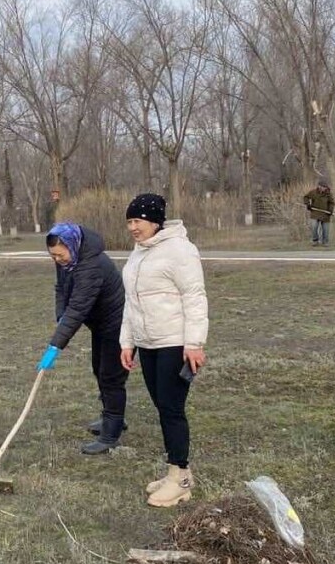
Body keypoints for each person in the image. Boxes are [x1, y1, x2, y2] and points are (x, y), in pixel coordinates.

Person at [119, 194, 208, 508]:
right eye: (129, 221)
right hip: (148, 344)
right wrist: (127, 342)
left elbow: (194, 297)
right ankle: (176, 470)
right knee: (163, 407)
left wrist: (194, 343)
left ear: (154, 221)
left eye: (137, 221)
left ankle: (180, 478)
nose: (132, 227)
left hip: (174, 343)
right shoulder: (138, 253)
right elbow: (131, 302)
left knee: (172, 409)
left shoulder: (180, 250)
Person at [37, 222, 129, 454]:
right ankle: (112, 417)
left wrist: (55, 345)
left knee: (111, 376)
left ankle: (111, 434)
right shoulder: (68, 260)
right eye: (53, 256)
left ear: (72, 245)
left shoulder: (92, 266)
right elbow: (61, 289)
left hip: (118, 323)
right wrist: (61, 317)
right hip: (99, 323)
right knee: (99, 369)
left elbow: (77, 309)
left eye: (60, 255)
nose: (57, 260)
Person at [302, 181, 334, 246]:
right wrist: (308, 204)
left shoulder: (329, 194)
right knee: (314, 226)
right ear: (319, 186)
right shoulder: (313, 192)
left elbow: (331, 203)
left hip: (325, 213)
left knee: (325, 229)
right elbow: (306, 197)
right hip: (315, 212)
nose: (324, 188)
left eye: (325, 187)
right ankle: (315, 241)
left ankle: (325, 242)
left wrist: (330, 210)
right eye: (323, 187)